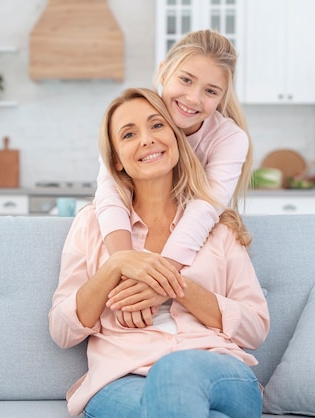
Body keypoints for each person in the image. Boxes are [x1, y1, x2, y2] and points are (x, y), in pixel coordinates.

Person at [49, 88, 269, 417]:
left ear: (176, 139)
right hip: (123, 377)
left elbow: (255, 328)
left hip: (216, 369)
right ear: (117, 163)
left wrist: (174, 286)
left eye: (156, 125)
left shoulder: (217, 227)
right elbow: (62, 331)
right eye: (129, 134)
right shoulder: (93, 225)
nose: (147, 139)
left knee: (175, 372)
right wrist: (117, 265)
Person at [94, 30, 253, 321]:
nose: (193, 98)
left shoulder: (228, 139)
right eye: (186, 79)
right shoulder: (134, 113)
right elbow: (109, 195)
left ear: (221, 97)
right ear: (163, 71)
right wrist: (125, 268)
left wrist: (156, 282)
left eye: (211, 91)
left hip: (190, 249)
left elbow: (204, 209)